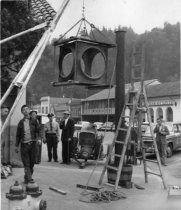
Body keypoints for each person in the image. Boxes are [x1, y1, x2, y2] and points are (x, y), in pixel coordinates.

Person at [15, 105, 40, 183]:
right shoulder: (20, 122)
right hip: (24, 145)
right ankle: (29, 179)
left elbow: (38, 130)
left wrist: (38, 139)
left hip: (33, 144)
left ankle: (27, 177)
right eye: (23, 110)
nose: (25, 111)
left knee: (32, 163)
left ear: (29, 110)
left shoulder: (34, 120)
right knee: (26, 163)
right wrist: (16, 145)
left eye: (27, 109)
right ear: (22, 112)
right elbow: (18, 135)